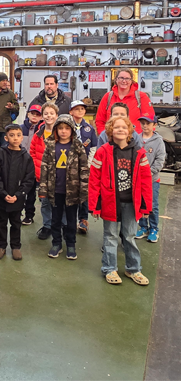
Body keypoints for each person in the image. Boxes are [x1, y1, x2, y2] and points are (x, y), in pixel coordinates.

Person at [89, 116, 152, 286]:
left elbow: (146, 179)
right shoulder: (102, 151)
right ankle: (109, 268)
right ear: (110, 130)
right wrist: (95, 203)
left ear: (130, 131)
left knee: (130, 236)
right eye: (116, 127)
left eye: (124, 127)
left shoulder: (139, 152)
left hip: (132, 203)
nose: (120, 130)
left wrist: (146, 204)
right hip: (110, 203)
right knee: (110, 236)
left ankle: (133, 269)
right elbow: (94, 178)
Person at [39, 114, 89, 260]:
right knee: (55, 219)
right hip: (55, 191)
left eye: (67, 128)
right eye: (60, 128)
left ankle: (71, 244)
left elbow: (84, 169)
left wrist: (83, 190)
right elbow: (44, 168)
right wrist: (43, 189)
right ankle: (56, 243)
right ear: (56, 130)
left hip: (72, 192)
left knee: (71, 220)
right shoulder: (50, 146)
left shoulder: (78, 147)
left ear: (72, 130)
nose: (63, 131)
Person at [0, 124, 35, 261]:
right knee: (1, 221)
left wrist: (18, 195)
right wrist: (3, 194)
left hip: (17, 198)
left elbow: (29, 179)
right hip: (1, 197)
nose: (15, 138)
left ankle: (16, 246)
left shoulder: (26, 158)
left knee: (16, 222)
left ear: (22, 137)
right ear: (6, 138)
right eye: (12, 135)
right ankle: (1, 246)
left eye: (18, 135)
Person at [30, 103, 62, 241]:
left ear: (57, 115)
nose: (49, 116)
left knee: (60, 202)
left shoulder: (62, 133)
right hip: (42, 175)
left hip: (59, 176)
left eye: (52, 113)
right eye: (46, 113)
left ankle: (61, 225)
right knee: (45, 202)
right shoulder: (38, 135)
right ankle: (47, 225)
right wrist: (36, 170)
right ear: (42, 116)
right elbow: (32, 153)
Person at [135, 114, 165, 243]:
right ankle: (143, 227)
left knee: (152, 204)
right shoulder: (137, 139)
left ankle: (154, 229)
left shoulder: (159, 141)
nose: (145, 126)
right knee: (140, 203)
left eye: (148, 123)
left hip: (152, 180)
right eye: (143, 123)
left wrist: (148, 173)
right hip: (138, 180)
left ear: (154, 125)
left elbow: (160, 161)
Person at [95, 68, 153, 134]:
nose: (124, 81)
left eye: (127, 78)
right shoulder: (108, 97)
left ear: (131, 81)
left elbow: (150, 120)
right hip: (112, 138)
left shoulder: (141, 97)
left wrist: (145, 139)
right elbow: (100, 120)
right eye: (121, 78)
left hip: (135, 139)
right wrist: (105, 137)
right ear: (116, 80)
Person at [69, 100, 98, 235]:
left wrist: (89, 164)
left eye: (82, 109)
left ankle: (83, 220)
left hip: (85, 165)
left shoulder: (89, 129)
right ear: (71, 112)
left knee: (84, 193)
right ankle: (71, 219)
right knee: (72, 192)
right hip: (70, 165)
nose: (80, 111)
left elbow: (93, 147)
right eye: (76, 109)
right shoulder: (67, 127)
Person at [21, 104, 43, 225]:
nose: (34, 116)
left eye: (37, 114)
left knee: (31, 192)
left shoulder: (42, 131)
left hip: (34, 166)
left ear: (41, 117)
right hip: (20, 166)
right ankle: (17, 211)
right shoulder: (20, 129)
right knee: (18, 190)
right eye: (32, 113)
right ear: (28, 114)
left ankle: (29, 215)